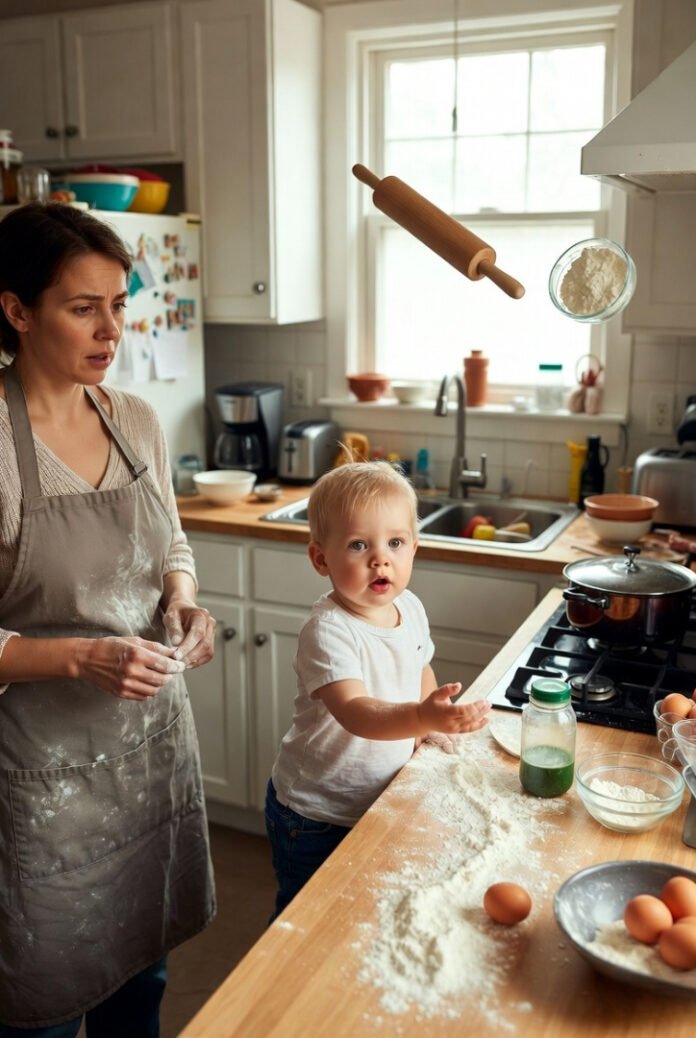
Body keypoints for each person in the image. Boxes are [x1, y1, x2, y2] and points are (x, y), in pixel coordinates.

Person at [0, 202, 216, 1037]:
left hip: (149, 759)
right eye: (81, 307)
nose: (110, 330)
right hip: (40, 783)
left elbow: (174, 542)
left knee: (142, 979)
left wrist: (183, 600)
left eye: (119, 305)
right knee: (44, 1001)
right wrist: (79, 659)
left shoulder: (134, 420)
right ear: (16, 311)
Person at [265, 461, 490, 919]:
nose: (379, 559)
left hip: (377, 795)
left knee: (360, 909)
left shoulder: (409, 606)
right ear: (321, 559)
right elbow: (357, 712)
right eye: (357, 545)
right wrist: (421, 717)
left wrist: (431, 717)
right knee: (305, 918)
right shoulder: (329, 631)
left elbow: (419, 668)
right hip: (316, 813)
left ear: (414, 548)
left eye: (395, 543)